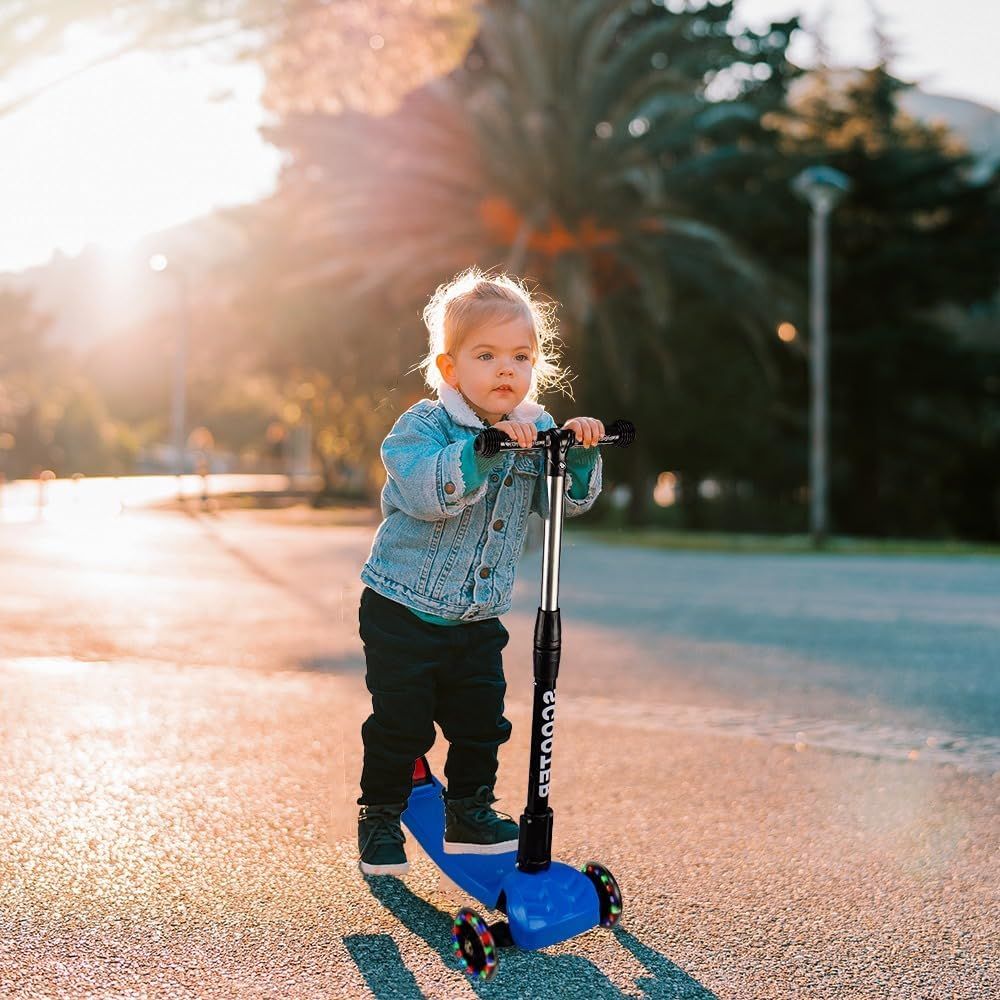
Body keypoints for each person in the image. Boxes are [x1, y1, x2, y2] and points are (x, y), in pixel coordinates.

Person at [356, 267, 604, 875]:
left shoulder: (539, 428)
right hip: (403, 609)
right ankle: (380, 815)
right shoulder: (423, 427)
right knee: (400, 724)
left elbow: (567, 505)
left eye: (520, 356)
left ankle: (468, 808)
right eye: (486, 354)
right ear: (450, 368)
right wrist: (483, 451)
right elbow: (424, 491)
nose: (505, 370)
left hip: (477, 616)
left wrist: (577, 455)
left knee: (483, 721)